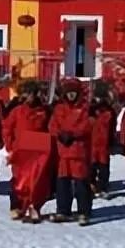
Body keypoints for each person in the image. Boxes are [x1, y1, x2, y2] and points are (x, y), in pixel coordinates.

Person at [3, 80, 52, 222]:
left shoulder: (44, 111)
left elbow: (51, 128)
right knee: (19, 180)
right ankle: (17, 206)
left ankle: (34, 206)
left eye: (30, 93)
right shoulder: (17, 111)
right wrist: (10, 146)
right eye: (25, 94)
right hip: (21, 149)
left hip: (39, 149)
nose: (27, 97)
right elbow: (7, 128)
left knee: (37, 180)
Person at [49, 79, 93, 225]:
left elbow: (87, 126)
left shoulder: (85, 108)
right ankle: (63, 210)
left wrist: (73, 134)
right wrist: (60, 134)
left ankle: (84, 212)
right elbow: (52, 125)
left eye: (74, 92)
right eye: (69, 93)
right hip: (63, 152)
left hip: (78, 151)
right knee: (63, 184)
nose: (71, 95)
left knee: (81, 184)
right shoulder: (59, 108)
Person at [88, 83, 118, 198]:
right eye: (97, 97)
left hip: (104, 144)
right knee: (91, 167)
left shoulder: (109, 111)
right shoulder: (90, 110)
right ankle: (91, 186)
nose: (99, 100)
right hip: (91, 143)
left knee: (104, 167)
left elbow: (113, 127)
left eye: (101, 98)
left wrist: (112, 141)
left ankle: (103, 187)